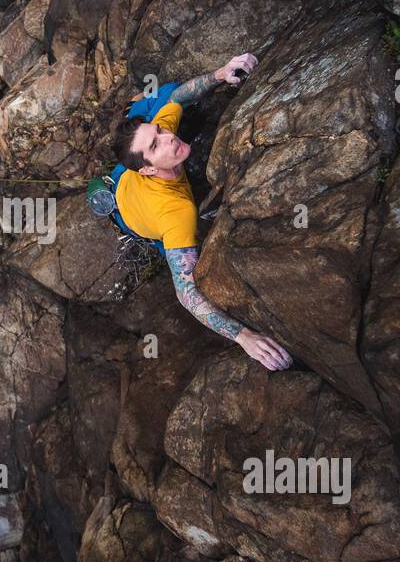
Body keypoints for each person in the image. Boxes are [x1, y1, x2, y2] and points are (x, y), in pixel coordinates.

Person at [110, 53, 292, 372]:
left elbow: (178, 99)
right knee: (157, 102)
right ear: (150, 169)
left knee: (166, 92)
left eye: (159, 133)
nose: (168, 139)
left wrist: (220, 74)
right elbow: (186, 293)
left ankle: (132, 108)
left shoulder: (162, 134)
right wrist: (243, 336)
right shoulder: (175, 215)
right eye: (156, 146)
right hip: (129, 210)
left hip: (128, 173)